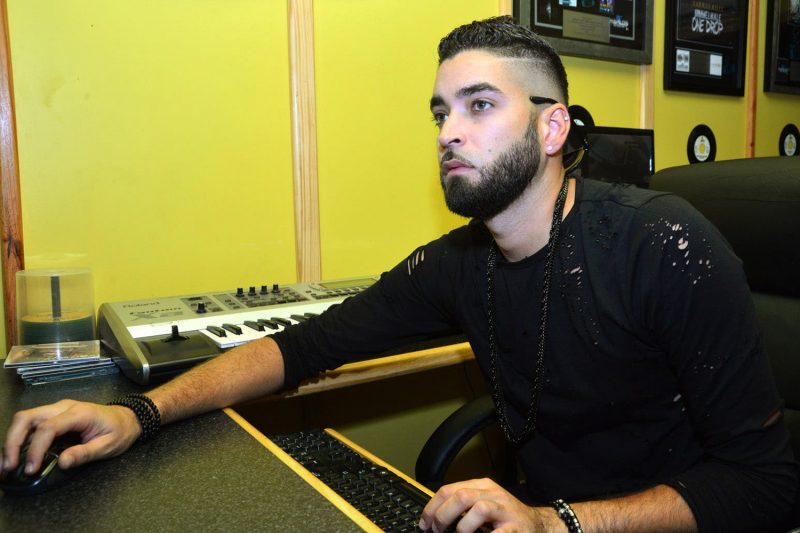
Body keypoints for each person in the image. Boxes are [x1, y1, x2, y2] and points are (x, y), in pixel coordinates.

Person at [2, 16, 797, 532]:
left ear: (553, 126)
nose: (449, 131)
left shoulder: (664, 244)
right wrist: (138, 414)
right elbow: (301, 347)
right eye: (441, 113)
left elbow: (765, 484)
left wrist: (557, 520)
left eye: (479, 105)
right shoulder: (459, 263)